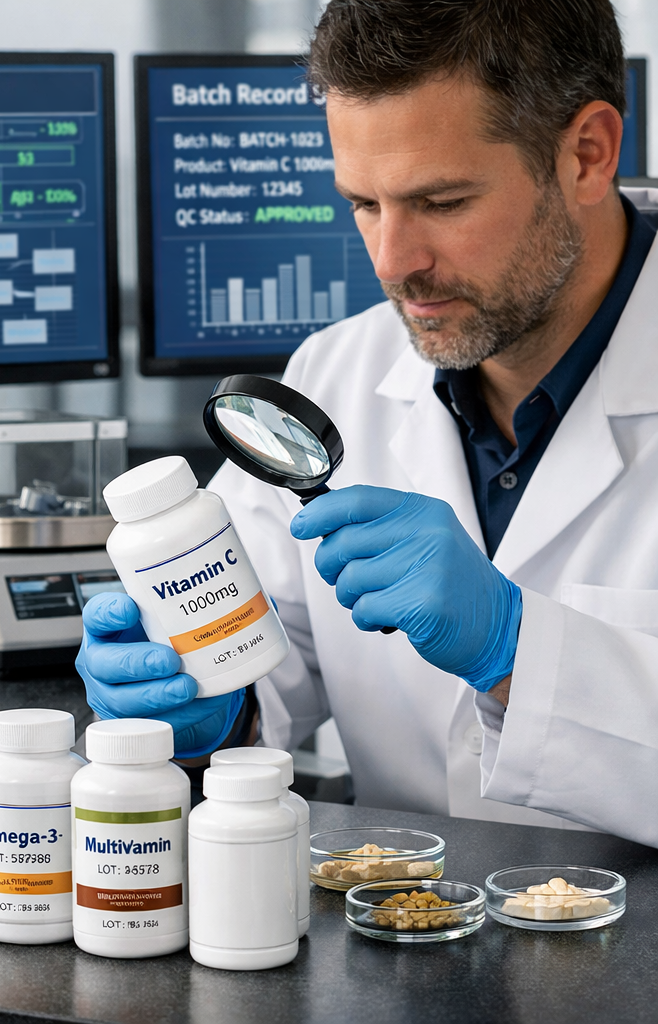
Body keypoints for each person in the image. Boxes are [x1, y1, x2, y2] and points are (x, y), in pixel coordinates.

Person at [78, 0, 658, 847]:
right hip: (402, 940)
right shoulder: (333, 376)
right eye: (363, 203)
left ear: (587, 154)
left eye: (444, 201)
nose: (395, 263)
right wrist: (211, 706)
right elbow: (270, 667)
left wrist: (518, 651)